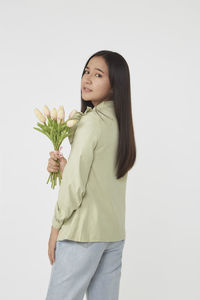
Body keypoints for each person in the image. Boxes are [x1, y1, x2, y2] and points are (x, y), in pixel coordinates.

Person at [45, 50, 136, 300]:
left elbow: (74, 187)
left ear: (115, 84)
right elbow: (96, 181)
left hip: (82, 234)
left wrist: (55, 229)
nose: (87, 79)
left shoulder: (91, 123)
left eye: (98, 74)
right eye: (86, 72)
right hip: (113, 234)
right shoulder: (120, 124)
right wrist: (66, 166)